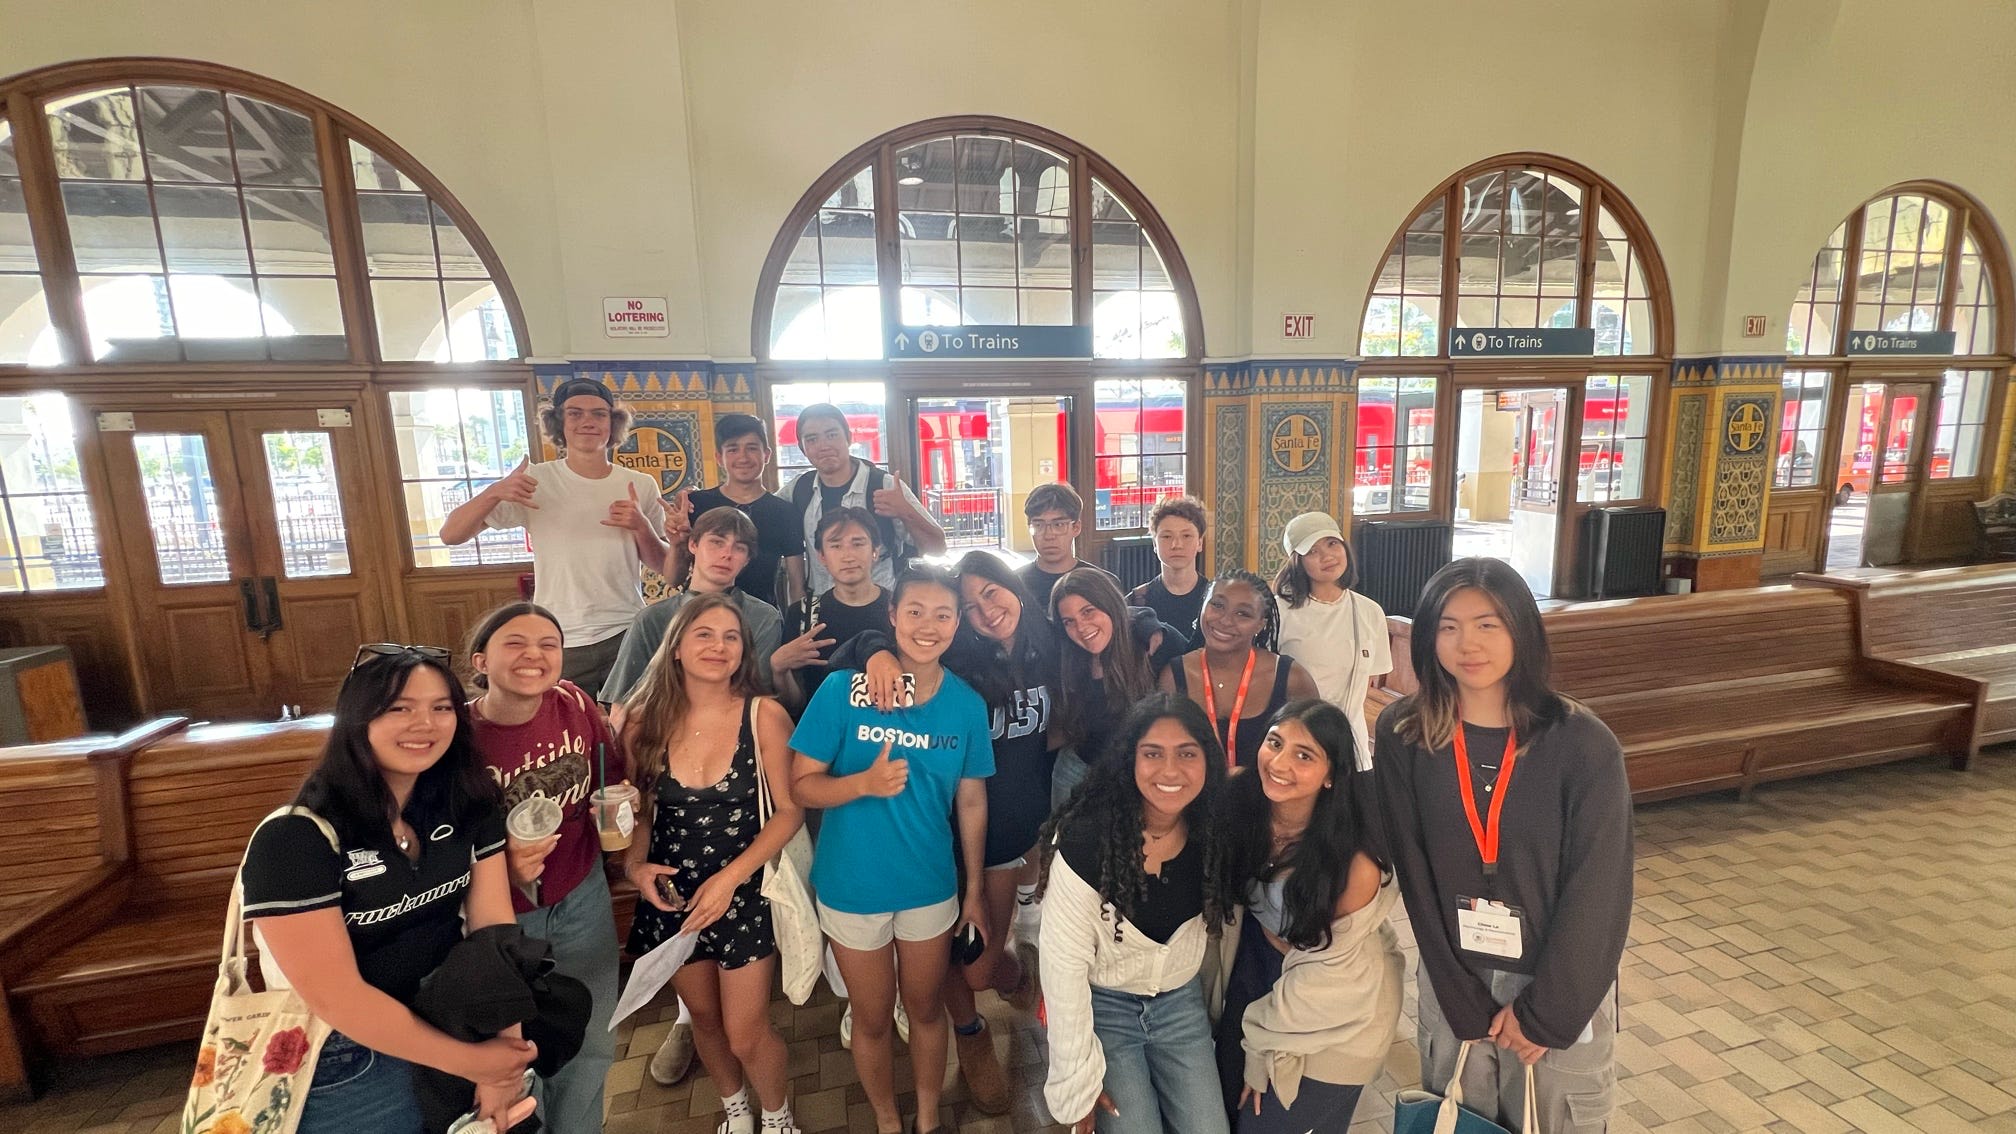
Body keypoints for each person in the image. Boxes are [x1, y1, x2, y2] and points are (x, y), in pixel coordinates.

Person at [1374, 557, 1632, 1133]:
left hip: (1557, 981)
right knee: (1461, 1120)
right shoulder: (1405, 733)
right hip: (1455, 978)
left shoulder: (1582, 743)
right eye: (1449, 626)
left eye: (1487, 624)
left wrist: (1548, 1013)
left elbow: (1600, 890)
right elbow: (1414, 874)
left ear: (1521, 629)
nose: (1468, 643)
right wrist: (1456, 993)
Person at [239, 643, 535, 1134]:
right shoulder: (294, 838)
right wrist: (475, 1064)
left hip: (455, 1019)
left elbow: (494, 933)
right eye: (400, 708)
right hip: (348, 1061)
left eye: (442, 708)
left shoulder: (468, 802)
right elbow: (337, 997)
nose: (425, 724)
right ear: (357, 719)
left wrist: (506, 1050)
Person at [790, 565, 994, 1134]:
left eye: (942, 615)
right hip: (851, 885)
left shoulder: (966, 705)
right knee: (873, 1018)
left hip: (929, 883)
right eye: (915, 612)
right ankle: (886, 1120)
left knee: (926, 1010)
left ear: (957, 623)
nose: (928, 626)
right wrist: (861, 784)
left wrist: (975, 891)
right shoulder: (843, 691)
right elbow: (801, 786)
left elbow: (971, 801)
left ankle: (927, 1118)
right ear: (892, 617)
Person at [618, 593, 805, 1134]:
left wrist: (729, 880)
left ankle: (778, 1118)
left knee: (746, 1030)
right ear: (676, 647)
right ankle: (737, 1112)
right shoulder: (644, 723)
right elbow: (640, 814)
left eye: (731, 637)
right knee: (703, 1017)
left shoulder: (763, 715)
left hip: (742, 891)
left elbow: (789, 812)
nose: (718, 646)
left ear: (744, 650)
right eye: (704, 634)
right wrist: (635, 868)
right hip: (672, 897)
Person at [1037, 693, 1231, 1134]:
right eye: (1153, 753)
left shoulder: (1216, 830)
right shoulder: (1086, 840)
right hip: (1105, 1006)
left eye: (1187, 753)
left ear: (1208, 760)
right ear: (1130, 760)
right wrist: (1078, 1083)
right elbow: (1062, 968)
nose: (1170, 770)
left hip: (1180, 1003)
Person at [465, 603, 626, 1132]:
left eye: (548, 644)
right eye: (515, 643)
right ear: (481, 661)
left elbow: (610, 775)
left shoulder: (574, 703)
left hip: (581, 894)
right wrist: (500, 867)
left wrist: (617, 804)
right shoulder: (458, 736)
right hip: (501, 919)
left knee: (592, 1040)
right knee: (519, 1055)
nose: (533, 654)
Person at [1211, 700, 1401, 1131]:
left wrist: (1261, 1050)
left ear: (1331, 775)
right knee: (1223, 1106)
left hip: (1338, 998)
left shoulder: (1354, 863)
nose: (1279, 764)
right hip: (1258, 966)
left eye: (1304, 755)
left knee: (1263, 1122)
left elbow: (1327, 977)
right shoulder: (1242, 797)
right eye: (1275, 743)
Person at [439, 376, 668, 694]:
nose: (588, 421)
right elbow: (451, 535)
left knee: (630, 723)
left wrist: (641, 527)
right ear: (559, 422)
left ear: (612, 423)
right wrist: (494, 492)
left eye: (599, 414)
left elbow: (664, 566)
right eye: (575, 413)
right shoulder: (535, 480)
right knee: (564, 724)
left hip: (626, 631)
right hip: (557, 635)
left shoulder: (640, 484)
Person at [601, 506, 785, 704]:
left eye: (739, 548)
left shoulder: (763, 617)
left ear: (747, 559)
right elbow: (620, 702)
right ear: (693, 544)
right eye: (716, 542)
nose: (726, 554)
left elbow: (757, 696)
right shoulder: (652, 619)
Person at [1162, 571, 1319, 772]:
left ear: (1260, 624)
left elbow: (1314, 754)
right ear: (1203, 606)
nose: (1225, 620)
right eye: (1217, 605)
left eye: (1243, 613)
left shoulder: (1291, 678)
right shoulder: (1173, 675)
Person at [1272, 512, 1391, 771]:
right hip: (1298, 743)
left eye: (1332, 544)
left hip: (1353, 746)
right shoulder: (1279, 612)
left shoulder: (1370, 611)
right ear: (1297, 562)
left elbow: (1367, 684)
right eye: (1313, 551)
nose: (1327, 556)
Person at [789, 403, 946, 592]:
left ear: (848, 438)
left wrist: (905, 511)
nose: (824, 446)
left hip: (882, 604)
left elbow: (937, 548)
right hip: (823, 605)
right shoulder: (799, 488)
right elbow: (764, 508)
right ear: (802, 448)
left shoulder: (885, 485)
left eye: (832, 435)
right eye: (812, 439)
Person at [665, 413, 807, 610]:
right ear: (719, 458)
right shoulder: (696, 504)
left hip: (761, 620)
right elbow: (673, 579)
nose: (743, 457)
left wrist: (796, 624)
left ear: (766, 455)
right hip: (700, 615)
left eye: (752, 448)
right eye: (733, 449)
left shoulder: (784, 512)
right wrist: (676, 544)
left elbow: (797, 586)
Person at [1052, 567, 1161, 808]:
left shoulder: (1150, 645)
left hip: (1139, 774)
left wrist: (1146, 619)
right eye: (1069, 621)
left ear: (1109, 604)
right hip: (1075, 771)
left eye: (1088, 611)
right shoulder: (1067, 658)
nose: (1081, 627)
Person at [772, 507, 890, 710]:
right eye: (836, 546)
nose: (848, 556)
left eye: (858, 544)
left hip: (887, 724)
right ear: (822, 556)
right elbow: (796, 705)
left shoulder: (899, 610)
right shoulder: (803, 615)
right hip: (824, 725)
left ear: (875, 551)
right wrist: (778, 669)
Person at [1017, 482, 1117, 610]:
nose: (1048, 535)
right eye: (1038, 525)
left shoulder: (1103, 583)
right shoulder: (1014, 584)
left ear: (1076, 527)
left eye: (1058, 525)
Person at [1128, 497, 1210, 645]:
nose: (1176, 545)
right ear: (1154, 544)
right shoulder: (1137, 601)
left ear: (1199, 542)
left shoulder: (1215, 599)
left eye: (1186, 536)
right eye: (1166, 536)